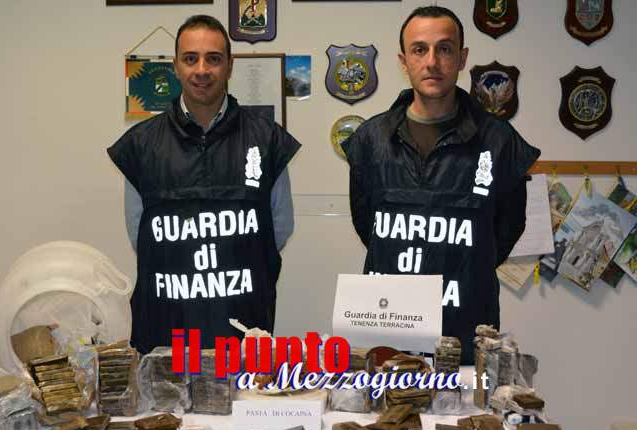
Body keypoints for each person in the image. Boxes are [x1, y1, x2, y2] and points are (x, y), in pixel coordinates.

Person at [344, 5, 540, 364]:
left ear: (462, 58)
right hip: (388, 323)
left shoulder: (499, 141)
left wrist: (464, 267)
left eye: (444, 49)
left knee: (465, 401)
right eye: (419, 49)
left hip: (467, 326)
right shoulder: (370, 139)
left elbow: (507, 230)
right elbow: (367, 226)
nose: (432, 62)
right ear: (404, 61)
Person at [108, 15, 300, 353]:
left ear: (229, 66)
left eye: (213, 58)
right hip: (167, 327)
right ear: (175, 66)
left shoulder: (266, 140)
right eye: (190, 58)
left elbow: (279, 227)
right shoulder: (142, 144)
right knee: (165, 390)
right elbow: (139, 233)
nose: (201, 70)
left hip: (242, 323)